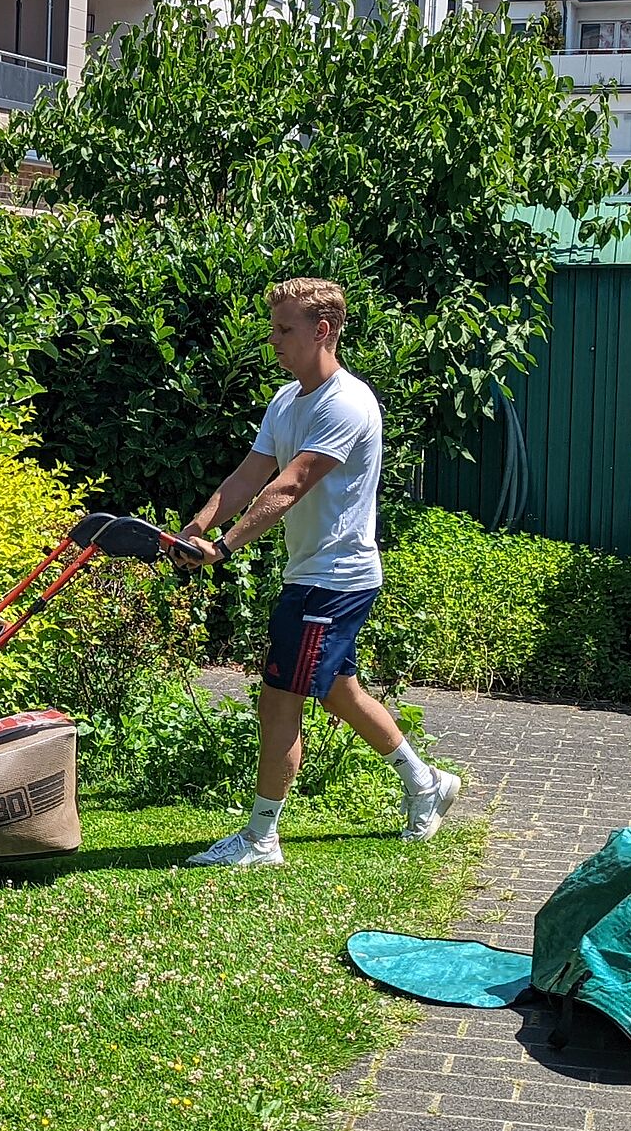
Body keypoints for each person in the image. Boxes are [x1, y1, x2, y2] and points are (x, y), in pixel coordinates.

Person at [176, 277, 458, 868]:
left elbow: (293, 484)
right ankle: (426, 782)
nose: (272, 340)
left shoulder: (348, 403)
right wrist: (197, 528)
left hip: (334, 577)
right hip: (312, 573)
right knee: (334, 687)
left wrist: (225, 547)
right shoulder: (286, 401)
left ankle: (260, 838)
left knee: (280, 697)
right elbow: (249, 475)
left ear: (322, 331)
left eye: (285, 330)